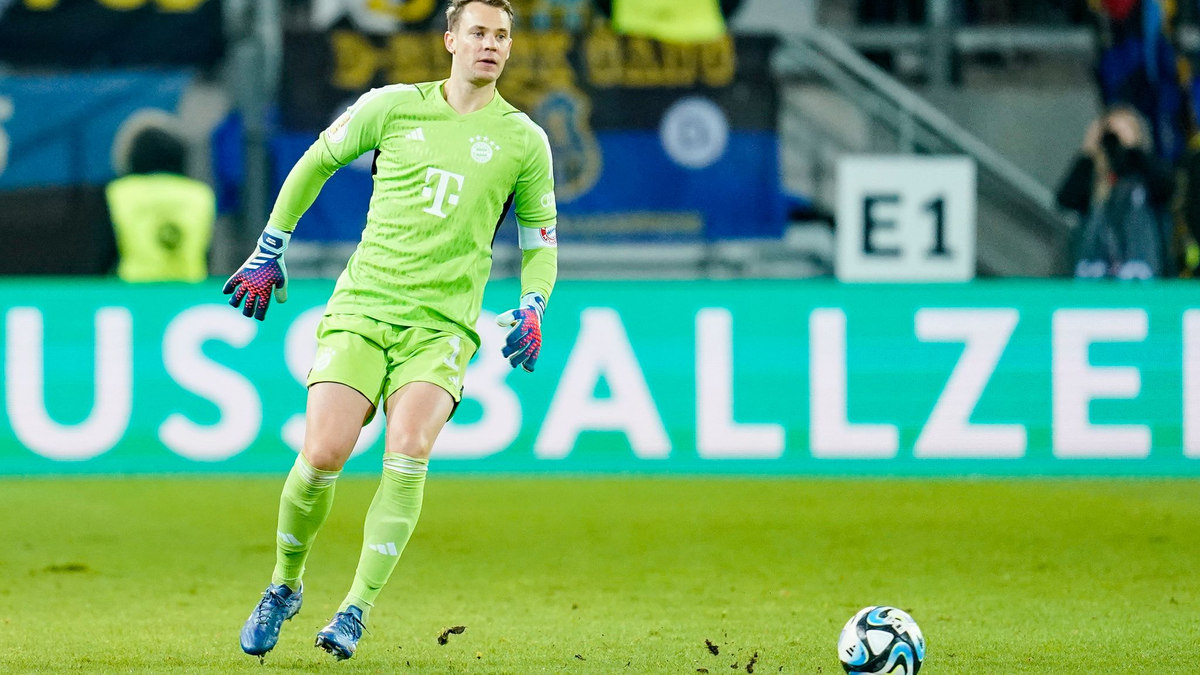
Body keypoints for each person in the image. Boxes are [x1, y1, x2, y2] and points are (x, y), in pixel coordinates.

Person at [228, 0, 558, 661]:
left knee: (409, 447)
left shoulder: (525, 140)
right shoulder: (391, 106)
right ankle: (284, 585)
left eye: (502, 35)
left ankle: (354, 607)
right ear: (450, 40)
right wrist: (270, 246)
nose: (491, 44)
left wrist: (533, 303)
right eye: (479, 33)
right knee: (323, 453)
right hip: (364, 306)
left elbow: (540, 242)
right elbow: (315, 162)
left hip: (441, 325)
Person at [1056, 105, 1175, 278]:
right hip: (1094, 274)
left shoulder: (1144, 173)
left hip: (1143, 273)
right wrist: (1088, 153)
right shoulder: (1092, 178)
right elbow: (1065, 199)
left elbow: (1166, 187)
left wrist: (1133, 149)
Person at [105, 125, 215, 281]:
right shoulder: (200, 194)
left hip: (134, 291)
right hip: (189, 290)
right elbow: (208, 251)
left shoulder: (120, 192)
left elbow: (105, 251)